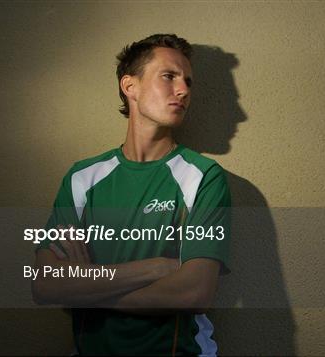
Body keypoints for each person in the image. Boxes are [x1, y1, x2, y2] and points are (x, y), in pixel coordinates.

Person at [32, 34, 231, 356]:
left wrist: (85, 288)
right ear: (130, 86)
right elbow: (45, 284)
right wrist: (155, 268)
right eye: (169, 76)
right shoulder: (83, 177)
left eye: (188, 82)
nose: (183, 90)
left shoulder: (202, 176)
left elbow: (195, 293)